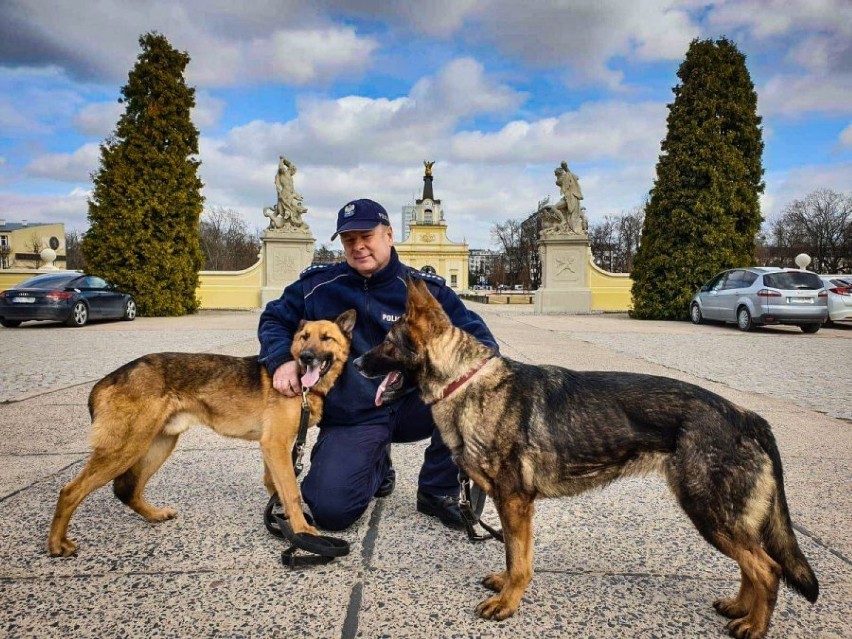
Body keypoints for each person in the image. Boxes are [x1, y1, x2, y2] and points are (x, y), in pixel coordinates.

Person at [258, 198, 498, 531]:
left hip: (416, 404)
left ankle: (438, 490)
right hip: (355, 413)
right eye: (349, 240)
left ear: (388, 235)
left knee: (473, 392)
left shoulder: (423, 291)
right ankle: (375, 463)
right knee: (329, 510)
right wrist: (281, 359)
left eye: (366, 236)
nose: (358, 247)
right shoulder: (318, 287)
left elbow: (480, 341)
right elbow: (273, 319)